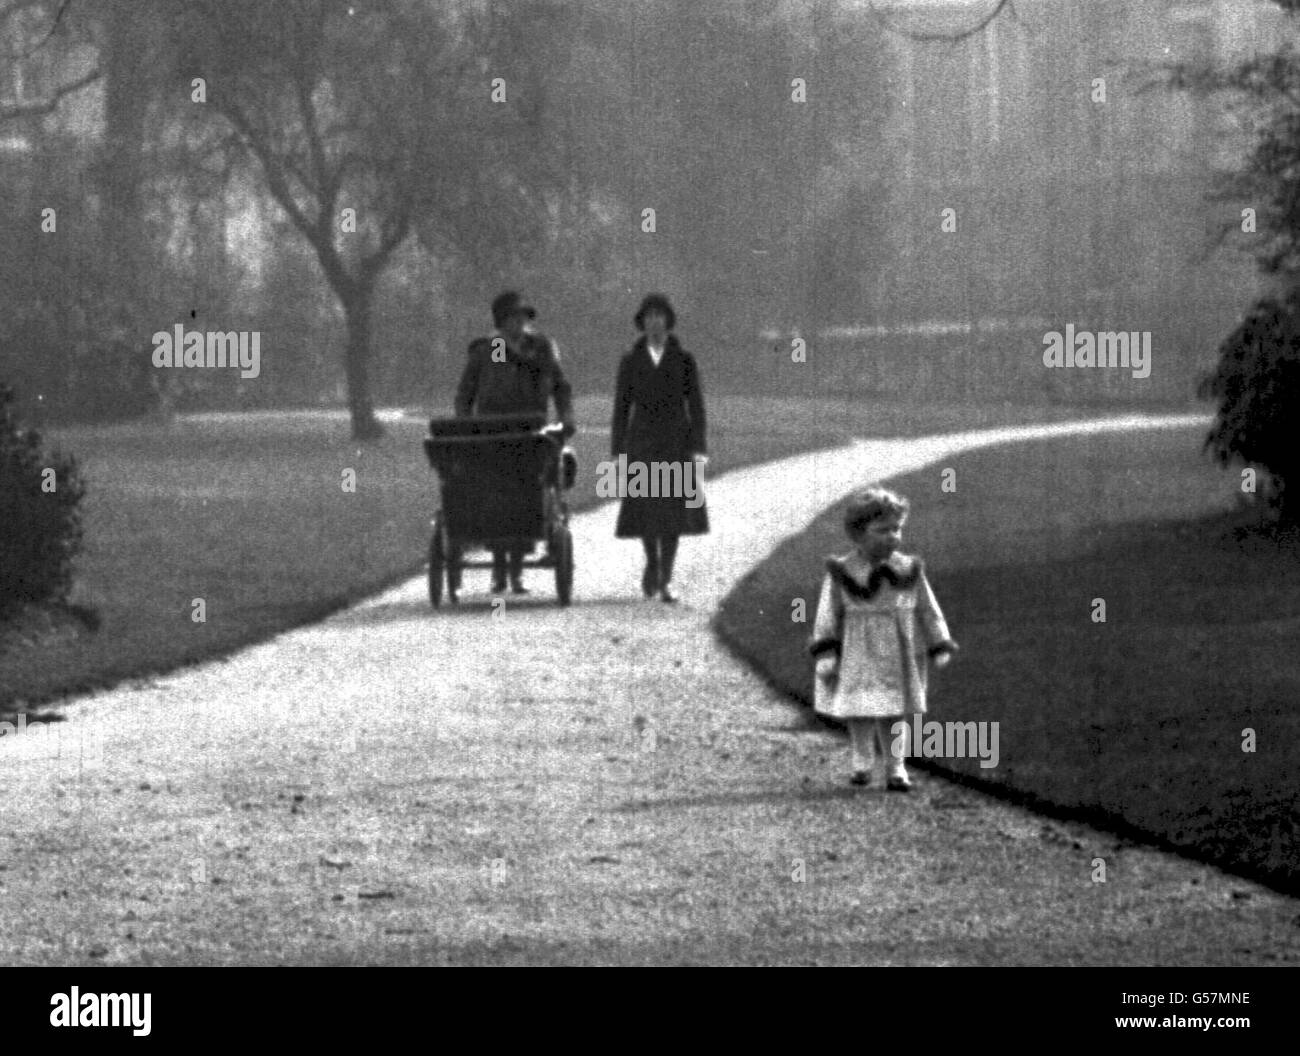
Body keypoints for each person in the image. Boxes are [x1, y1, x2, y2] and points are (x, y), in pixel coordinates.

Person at [809, 487, 958, 790]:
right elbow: (827, 614)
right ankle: (862, 762)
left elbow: (928, 609)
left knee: (894, 710)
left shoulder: (908, 568)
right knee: (860, 708)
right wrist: (826, 652)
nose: (892, 536)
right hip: (857, 649)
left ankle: (896, 767)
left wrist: (939, 641)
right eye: (882, 530)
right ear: (859, 534)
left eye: (897, 529)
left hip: (899, 649)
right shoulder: (842, 571)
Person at [455, 291, 574, 595]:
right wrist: (467, 422)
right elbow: (468, 392)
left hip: (531, 432)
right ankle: (499, 569)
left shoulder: (541, 349)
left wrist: (566, 416)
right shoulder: (491, 349)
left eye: (522, 318)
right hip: (494, 433)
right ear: (501, 322)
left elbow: (560, 387)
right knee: (496, 496)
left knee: (530, 492)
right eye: (512, 318)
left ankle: (517, 570)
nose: (518, 324)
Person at [610, 293, 709, 603]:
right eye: (649, 316)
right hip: (641, 441)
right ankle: (652, 562)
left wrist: (698, 446)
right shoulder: (631, 360)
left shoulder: (684, 359)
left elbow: (696, 404)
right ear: (642, 322)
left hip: (675, 442)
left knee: (673, 512)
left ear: (668, 320)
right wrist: (617, 449)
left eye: (660, 316)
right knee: (645, 508)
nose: (654, 322)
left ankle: (666, 575)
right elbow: (621, 407)